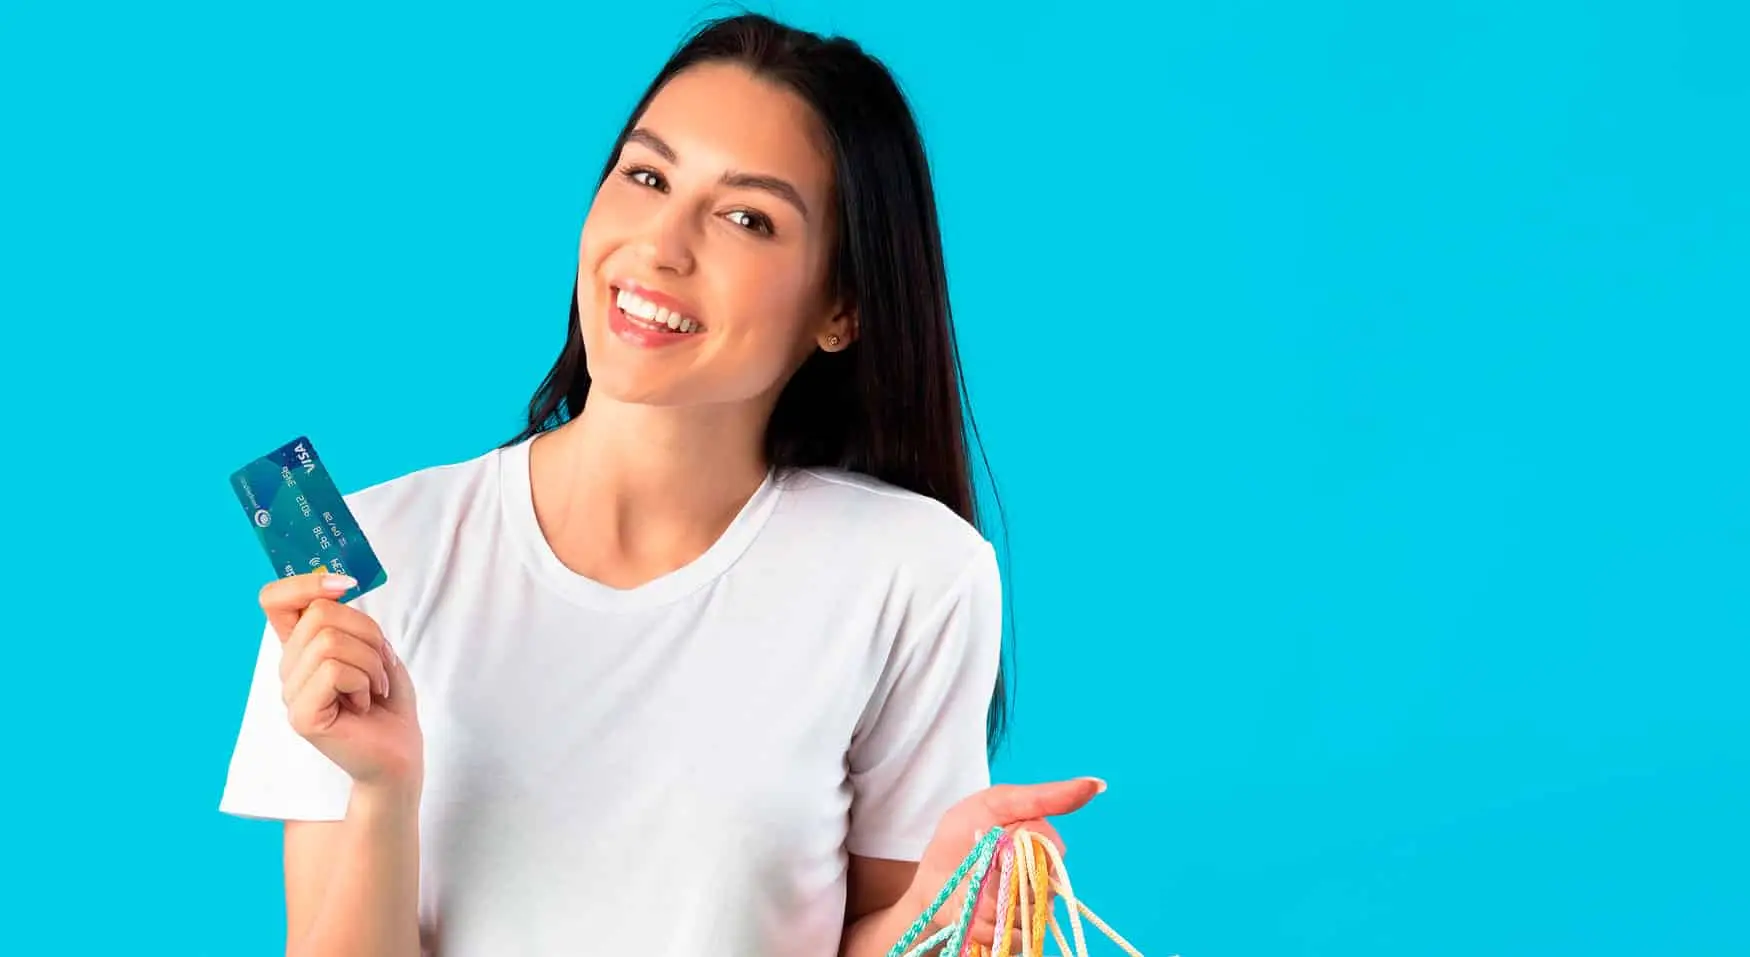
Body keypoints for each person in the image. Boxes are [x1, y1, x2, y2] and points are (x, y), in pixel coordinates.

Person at [217, 12, 1106, 957]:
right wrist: (383, 789)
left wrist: (949, 915)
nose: (660, 246)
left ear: (842, 308)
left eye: (747, 218)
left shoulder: (915, 572)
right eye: (647, 177)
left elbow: (888, 933)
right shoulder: (366, 557)